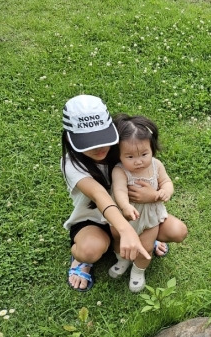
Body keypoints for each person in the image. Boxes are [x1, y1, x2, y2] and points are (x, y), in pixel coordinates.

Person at [62, 95, 150, 292]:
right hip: (94, 220)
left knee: (173, 230)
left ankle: (135, 237)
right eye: (89, 142)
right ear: (71, 138)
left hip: (131, 212)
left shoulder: (121, 147)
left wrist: (152, 194)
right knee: (90, 250)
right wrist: (127, 231)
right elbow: (100, 195)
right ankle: (79, 258)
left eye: (102, 138)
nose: (99, 147)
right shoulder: (72, 165)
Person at [106, 114, 187, 293]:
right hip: (125, 216)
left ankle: (138, 270)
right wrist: (126, 206)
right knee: (118, 238)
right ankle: (122, 260)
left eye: (144, 154)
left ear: (152, 149)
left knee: (146, 246)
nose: (139, 160)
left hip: (149, 217)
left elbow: (166, 182)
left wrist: (163, 192)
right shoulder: (120, 171)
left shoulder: (156, 165)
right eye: (130, 156)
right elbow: (119, 190)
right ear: (119, 155)